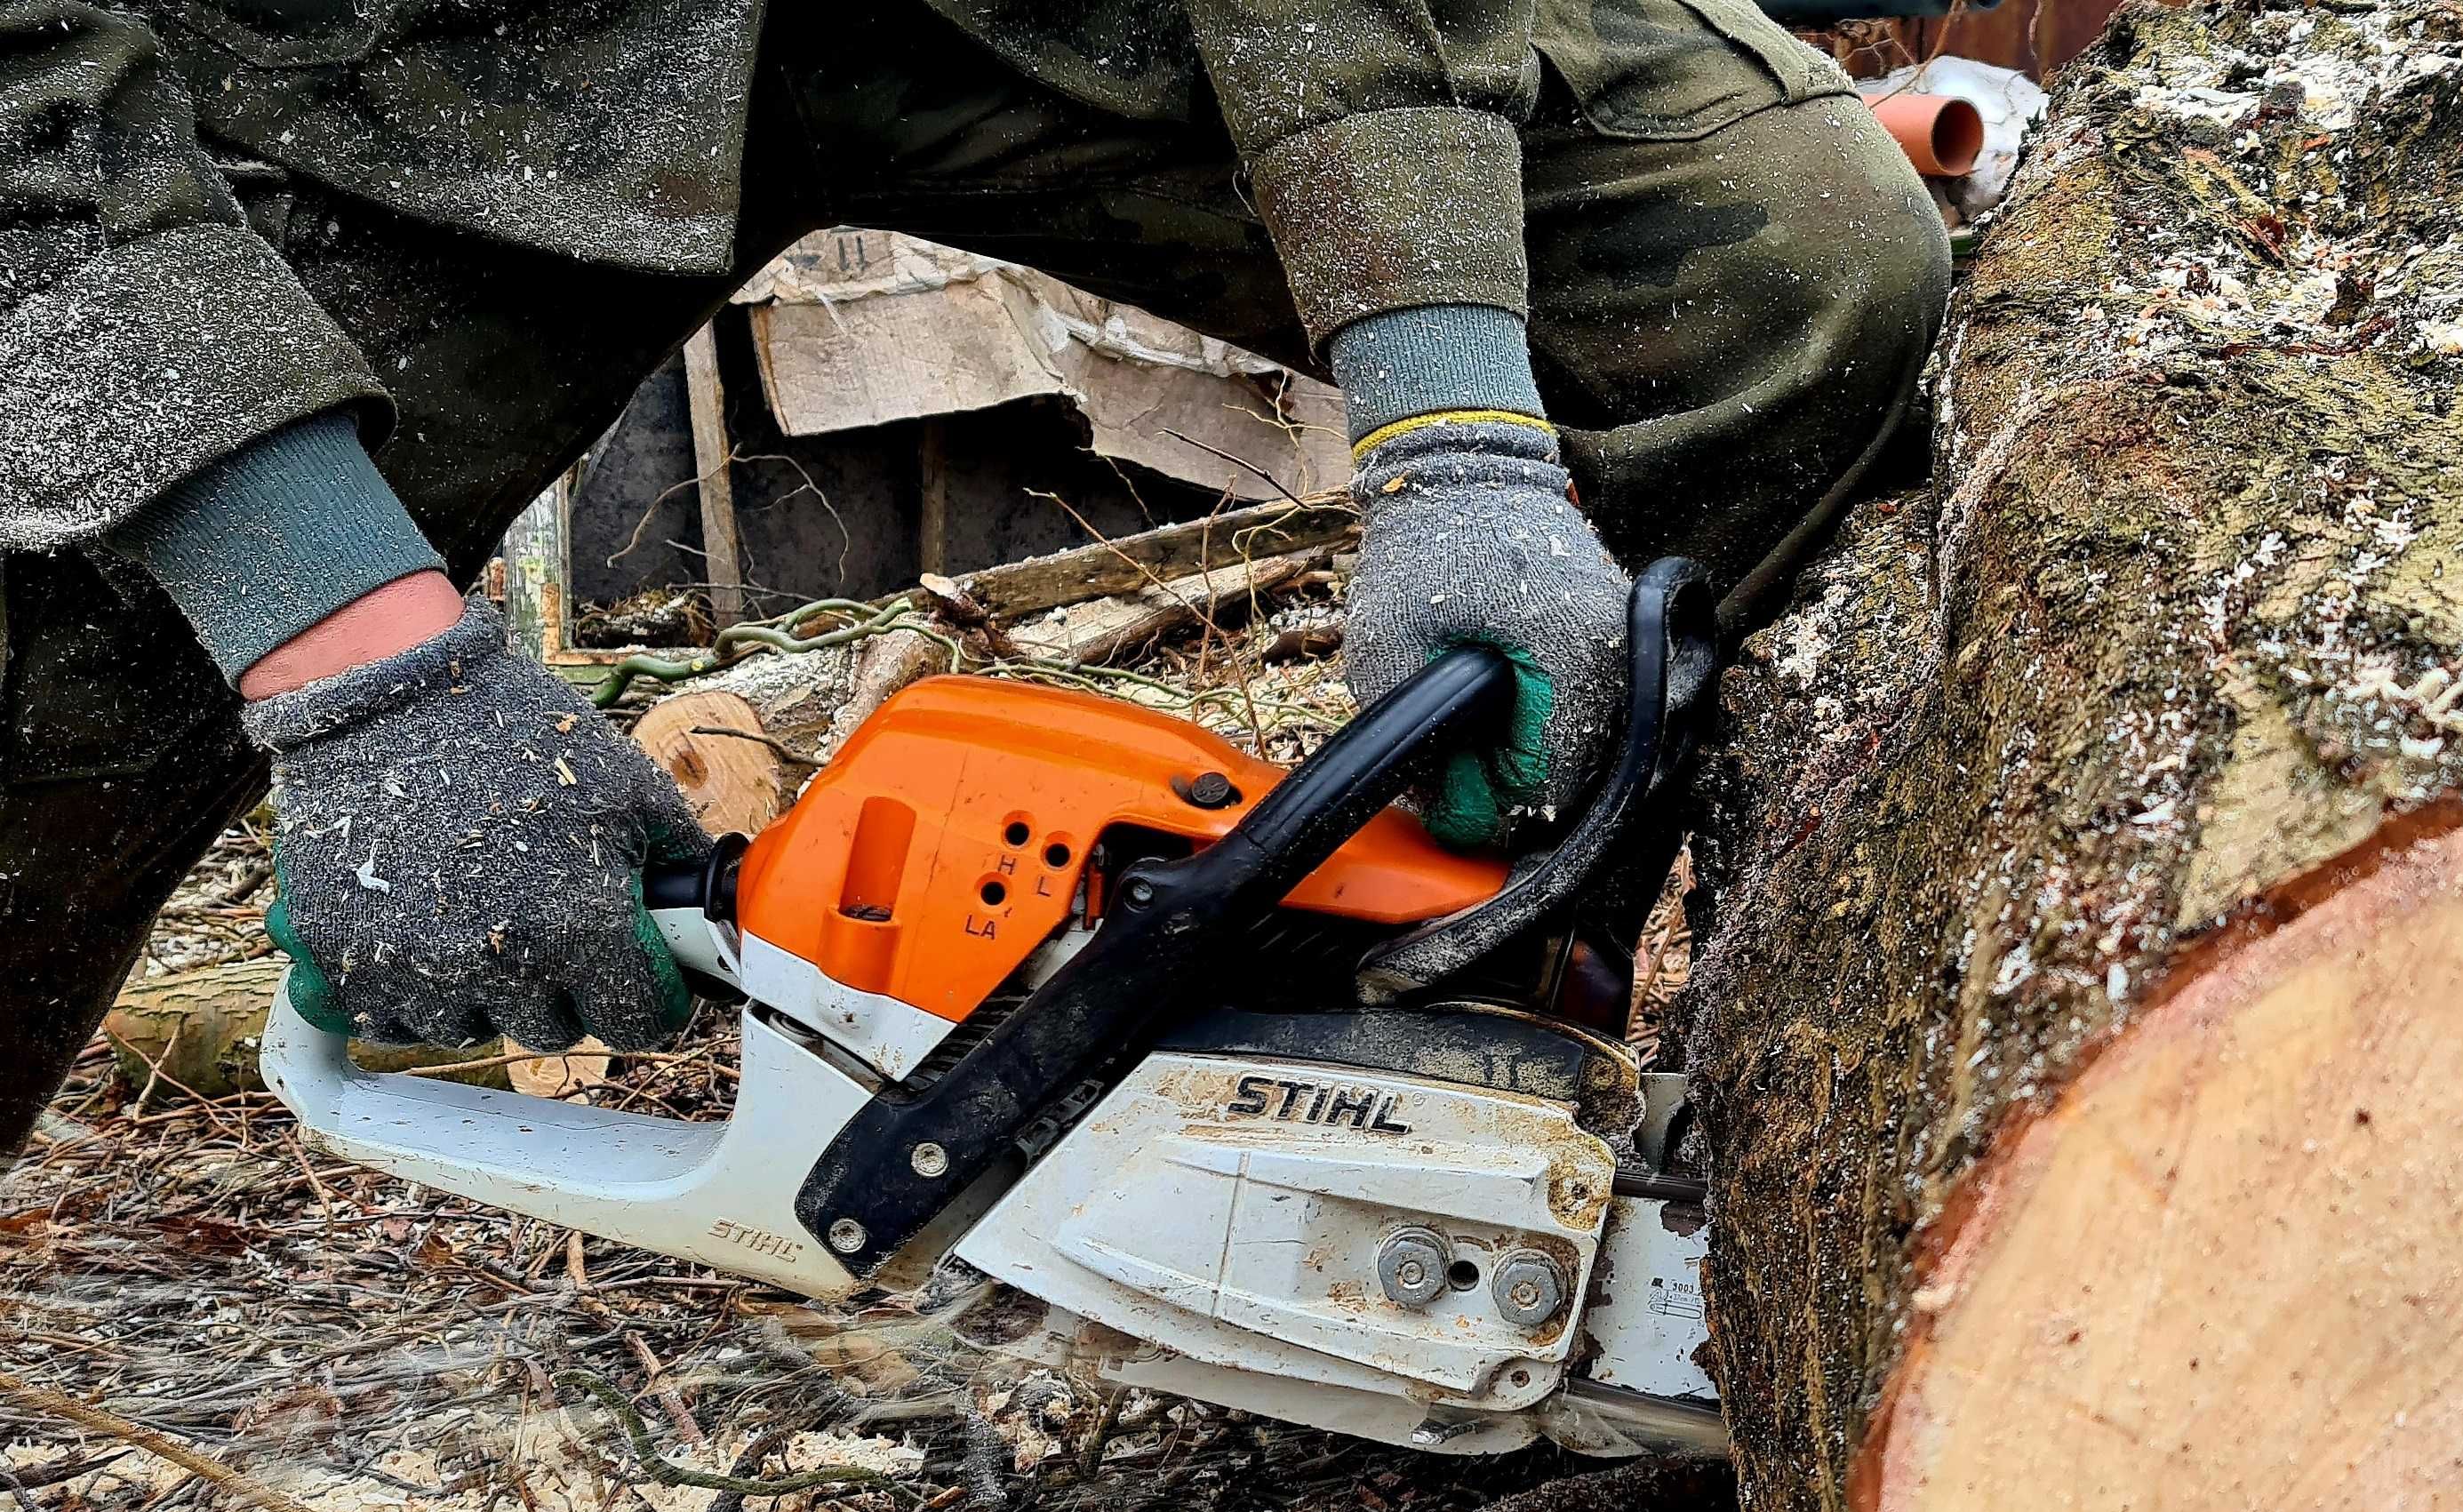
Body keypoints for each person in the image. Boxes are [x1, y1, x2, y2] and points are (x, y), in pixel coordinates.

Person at [0, 0, 1948, 1155]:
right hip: (354, 61)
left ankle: (1439, 1073)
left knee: (1779, 265)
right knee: (43, 667)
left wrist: (1451, 415)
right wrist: (347, 648)